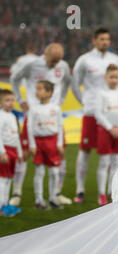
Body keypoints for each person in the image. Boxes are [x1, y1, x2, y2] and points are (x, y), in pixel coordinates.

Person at [10, 43, 71, 206]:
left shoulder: (63, 65)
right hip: (33, 116)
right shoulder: (31, 65)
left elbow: (68, 82)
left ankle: (56, 193)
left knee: (60, 154)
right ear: (45, 54)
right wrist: (21, 100)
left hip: (52, 117)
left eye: (58, 61)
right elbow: (14, 79)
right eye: (53, 61)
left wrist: (62, 99)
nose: (55, 64)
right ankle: (17, 192)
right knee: (24, 155)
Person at [72, 27, 118, 204]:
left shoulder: (115, 59)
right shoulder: (85, 60)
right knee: (85, 151)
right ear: (94, 41)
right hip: (90, 112)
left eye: (107, 39)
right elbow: (75, 84)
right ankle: (80, 189)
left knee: (111, 156)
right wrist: (85, 102)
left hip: (112, 115)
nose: (105, 42)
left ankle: (109, 191)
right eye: (101, 39)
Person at [94, 65, 118, 205]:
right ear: (106, 78)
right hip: (105, 131)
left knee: (116, 162)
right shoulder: (101, 94)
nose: (114, 80)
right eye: (111, 77)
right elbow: (98, 113)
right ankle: (101, 194)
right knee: (104, 162)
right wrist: (110, 128)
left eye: (116, 77)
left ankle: (111, 192)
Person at [27, 81, 64, 209]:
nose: (37, 91)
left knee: (54, 172)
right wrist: (32, 144)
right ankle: (39, 200)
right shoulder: (33, 109)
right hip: (38, 142)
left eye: (40, 89)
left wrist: (59, 144)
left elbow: (60, 126)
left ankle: (53, 198)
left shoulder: (56, 109)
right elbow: (29, 127)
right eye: (36, 89)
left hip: (52, 142)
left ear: (49, 92)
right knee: (39, 171)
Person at [0, 89, 23, 217]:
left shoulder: (13, 116)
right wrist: (2, 152)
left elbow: (16, 136)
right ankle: (1, 207)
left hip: (13, 151)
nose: (10, 103)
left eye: (12, 100)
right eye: (7, 100)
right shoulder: (1, 116)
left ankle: (6, 204)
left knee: (9, 178)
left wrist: (19, 153)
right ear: (0, 103)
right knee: (2, 179)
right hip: (5, 150)